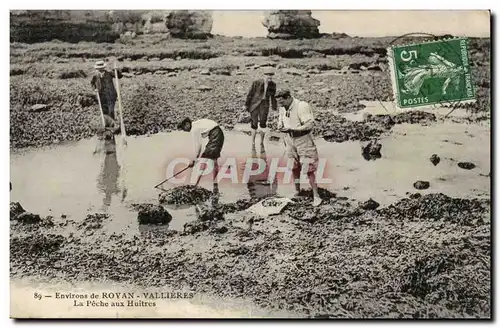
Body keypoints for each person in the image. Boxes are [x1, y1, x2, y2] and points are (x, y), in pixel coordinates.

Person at [275, 90, 322, 207]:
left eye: (283, 102)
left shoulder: (302, 106)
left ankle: (316, 195)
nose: (281, 105)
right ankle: (297, 191)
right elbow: (281, 120)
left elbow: (310, 124)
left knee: (309, 167)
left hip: (303, 139)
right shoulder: (282, 108)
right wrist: (280, 126)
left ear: (289, 98)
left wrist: (294, 129)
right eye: (279, 103)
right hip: (289, 140)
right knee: (293, 166)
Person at [177, 117, 225, 197]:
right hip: (218, 134)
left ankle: (196, 184)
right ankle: (215, 184)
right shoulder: (196, 125)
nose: (184, 130)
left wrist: (193, 160)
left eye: (183, 128)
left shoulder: (194, 129)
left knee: (204, 159)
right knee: (214, 160)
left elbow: (198, 146)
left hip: (216, 135)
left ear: (187, 124)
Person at [245, 66, 277, 151]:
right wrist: (246, 105)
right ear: (264, 75)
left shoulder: (273, 85)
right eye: (268, 75)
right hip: (254, 104)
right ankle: (252, 142)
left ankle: (261, 142)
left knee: (263, 124)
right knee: (254, 124)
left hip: (264, 105)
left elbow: (273, 97)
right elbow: (250, 94)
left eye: (271, 76)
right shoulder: (256, 82)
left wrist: (274, 109)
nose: (269, 77)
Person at [91, 60, 122, 126]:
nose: (101, 70)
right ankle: (106, 125)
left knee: (111, 111)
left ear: (104, 68)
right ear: (97, 69)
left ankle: (112, 125)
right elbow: (92, 83)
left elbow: (119, 76)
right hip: (101, 96)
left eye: (102, 68)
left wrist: (117, 70)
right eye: (99, 69)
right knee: (104, 111)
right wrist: (95, 89)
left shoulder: (109, 73)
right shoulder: (95, 76)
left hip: (111, 95)